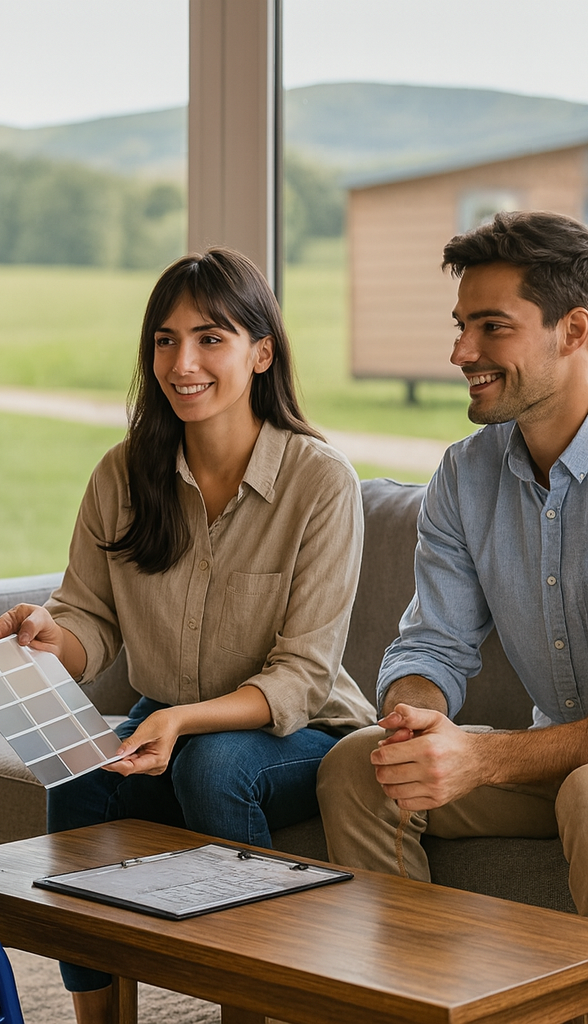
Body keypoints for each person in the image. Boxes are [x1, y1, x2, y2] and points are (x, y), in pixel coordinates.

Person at [0, 246, 376, 1024]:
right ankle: (99, 1016)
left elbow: (300, 676)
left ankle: (246, 1006)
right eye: (165, 340)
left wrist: (181, 720)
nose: (182, 361)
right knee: (79, 772)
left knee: (214, 764)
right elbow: (88, 617)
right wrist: (43, 635)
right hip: (165, 717)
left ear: (261, 353)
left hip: (299, 732)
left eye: (210, 338)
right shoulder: (123, 474)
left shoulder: (319, 481)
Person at [316, 210, 588, 913]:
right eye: (460, 326)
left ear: (576, 330)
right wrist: (415, 721)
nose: (462, 352)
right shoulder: (466, 477)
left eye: (492, 326)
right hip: (546, 761)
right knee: (360, 765)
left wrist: (484, 758)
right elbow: (434, 643)